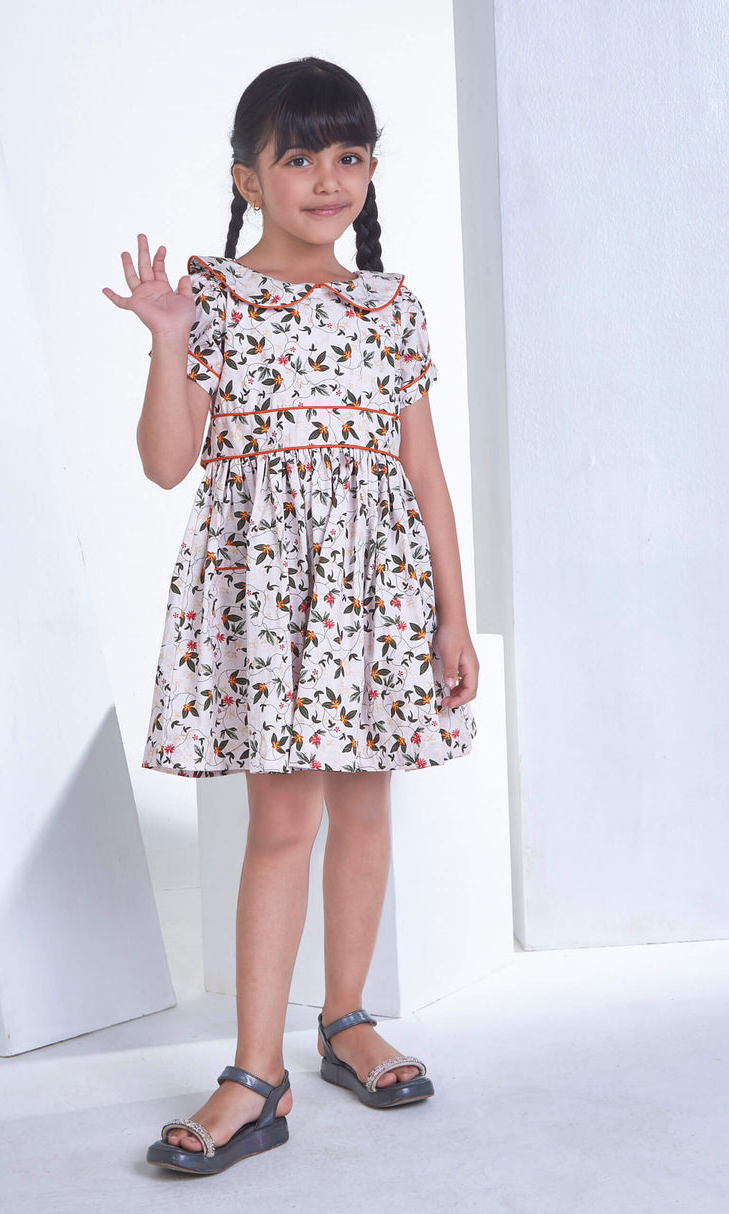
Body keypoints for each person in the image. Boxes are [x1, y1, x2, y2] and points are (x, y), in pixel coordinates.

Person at [103, 56, 479, 1176]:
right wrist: (167, 341)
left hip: (379, 594)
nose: (328, 178)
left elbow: (421, 470)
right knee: (283, 823)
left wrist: (452, 616)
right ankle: (252, 1072)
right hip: (273, 599)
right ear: (246, 176)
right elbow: (168, 464)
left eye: (349, 155)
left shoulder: (386, 304)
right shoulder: (216, 298)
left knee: (366, 812)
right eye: (300, 156)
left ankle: (346, 1020)